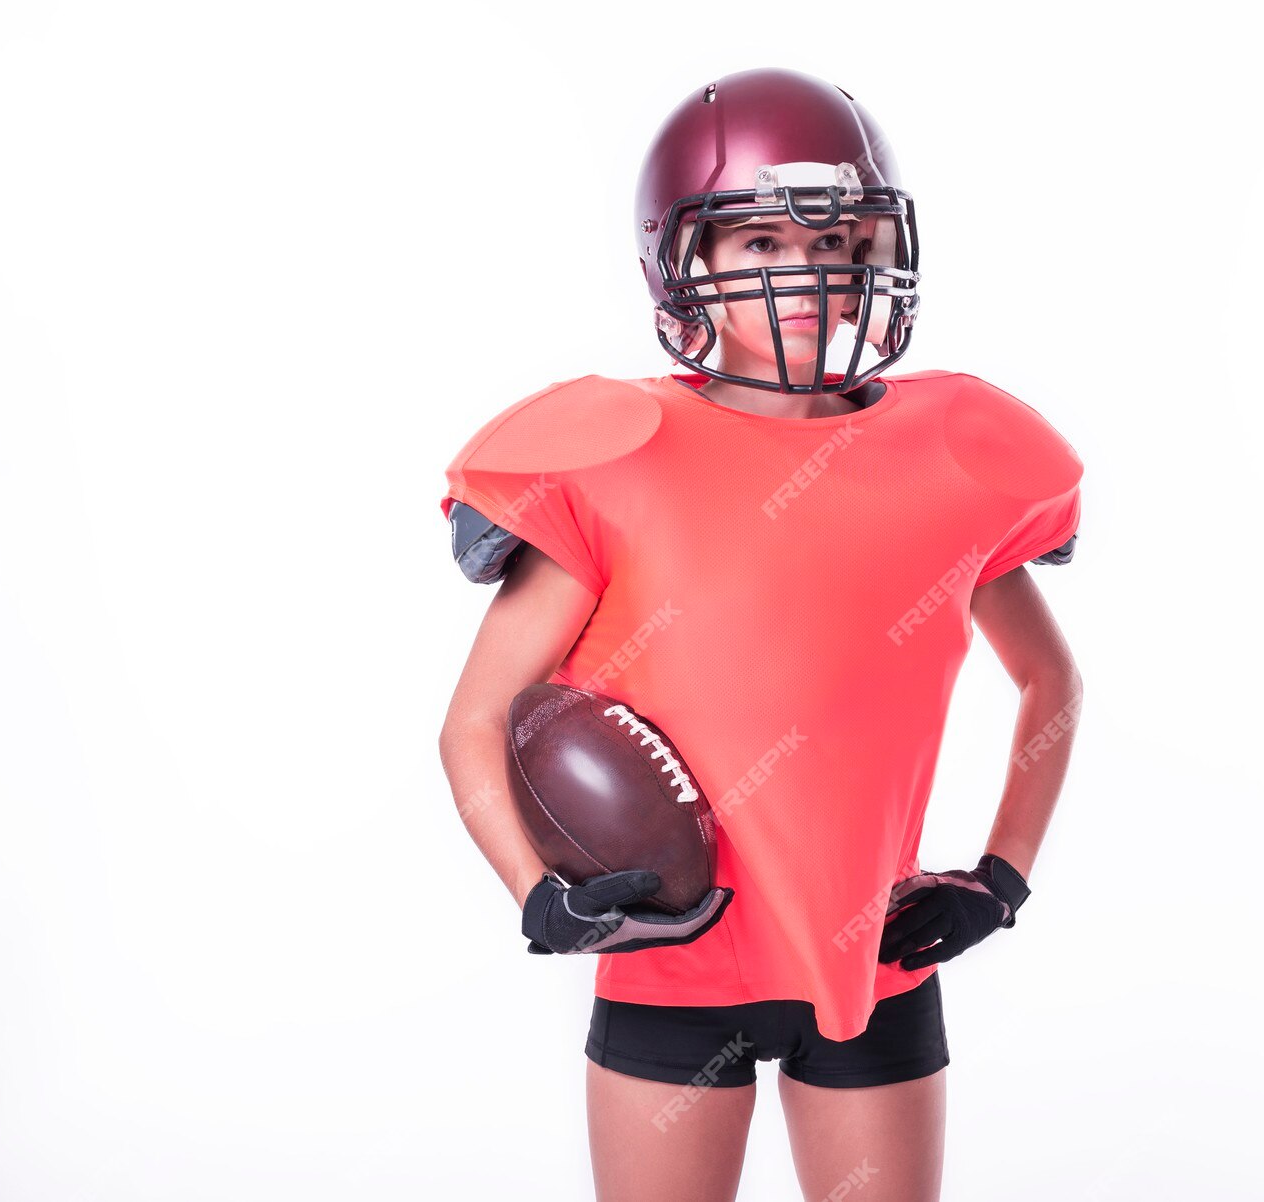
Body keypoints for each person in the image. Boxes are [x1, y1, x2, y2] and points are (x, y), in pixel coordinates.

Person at [436, 66, 1085, 1202]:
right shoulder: (613, 453)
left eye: (836, 243)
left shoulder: (957, 450)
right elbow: (474, 720)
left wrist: (999, 876)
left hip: (874, 965)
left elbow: (1049, 679)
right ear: (682, 261)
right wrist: (535, 891)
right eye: (757, 246)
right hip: (672, 970)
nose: (806, 276)